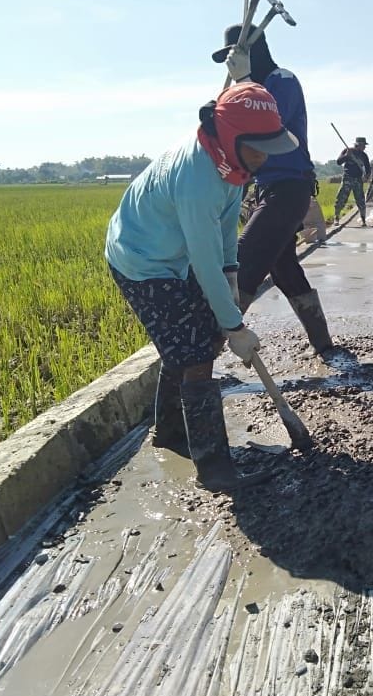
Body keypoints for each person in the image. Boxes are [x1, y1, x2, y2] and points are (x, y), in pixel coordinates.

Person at [105, 83, 298, 492]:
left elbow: (227, 226)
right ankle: (215, 469)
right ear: (232, 137)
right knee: (196, 355)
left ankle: (172, 432)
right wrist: (235, 328)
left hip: (173, 255)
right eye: (258, 147)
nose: (264, 157)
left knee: (196, 341)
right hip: (143, 261)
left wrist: (232, 272)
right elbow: (204, 260)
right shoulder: (198, 176)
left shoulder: (231, 164)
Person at [212, 25, 335, 357]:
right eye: (227, 59)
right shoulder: (248, 86)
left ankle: (204, 358)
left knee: (244, 261)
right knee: (284, 268)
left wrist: (244, 81)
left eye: (234, 56)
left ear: (255, 50)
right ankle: (324, 345)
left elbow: (263, 121)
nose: (230, 64)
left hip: (290, 186)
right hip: (265, 189)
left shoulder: (282, 80)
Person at [335, 137, 371, 226]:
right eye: (363, 145)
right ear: (358, 145)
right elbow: (339, 162)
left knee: (361, 200)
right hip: (347, 178)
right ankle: (336, 218)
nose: (364, 147)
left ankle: (363, 220)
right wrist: (347, 156)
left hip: (358, 179)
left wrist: (367, 176)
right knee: (341, 198)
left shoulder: (364, 155)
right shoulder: (348, 151)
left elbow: (368, 168)